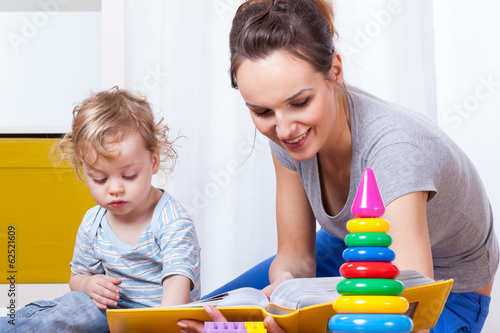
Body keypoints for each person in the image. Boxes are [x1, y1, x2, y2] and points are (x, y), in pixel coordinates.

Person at [178, 0, 498, 332]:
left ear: (335, 70)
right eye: (262, 112)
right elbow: (296, 257)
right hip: (350, 247)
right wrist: (286, 292)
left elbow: (408, 310)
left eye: (300, 102)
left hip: (443, 294)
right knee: (195, 323)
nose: (284, 129)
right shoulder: (289, 133)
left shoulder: (395, 151)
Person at [0, 88, 201, 332]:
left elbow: (176, 287)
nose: (115, 189)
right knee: (71, 308)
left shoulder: (172, 221)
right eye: (99, 179)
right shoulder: (92, 223)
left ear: (154, 161)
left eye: (129, 176)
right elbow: (77, 279)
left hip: (160, 322)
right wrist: (89, 284)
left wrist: (161, 326)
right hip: (110, 319)